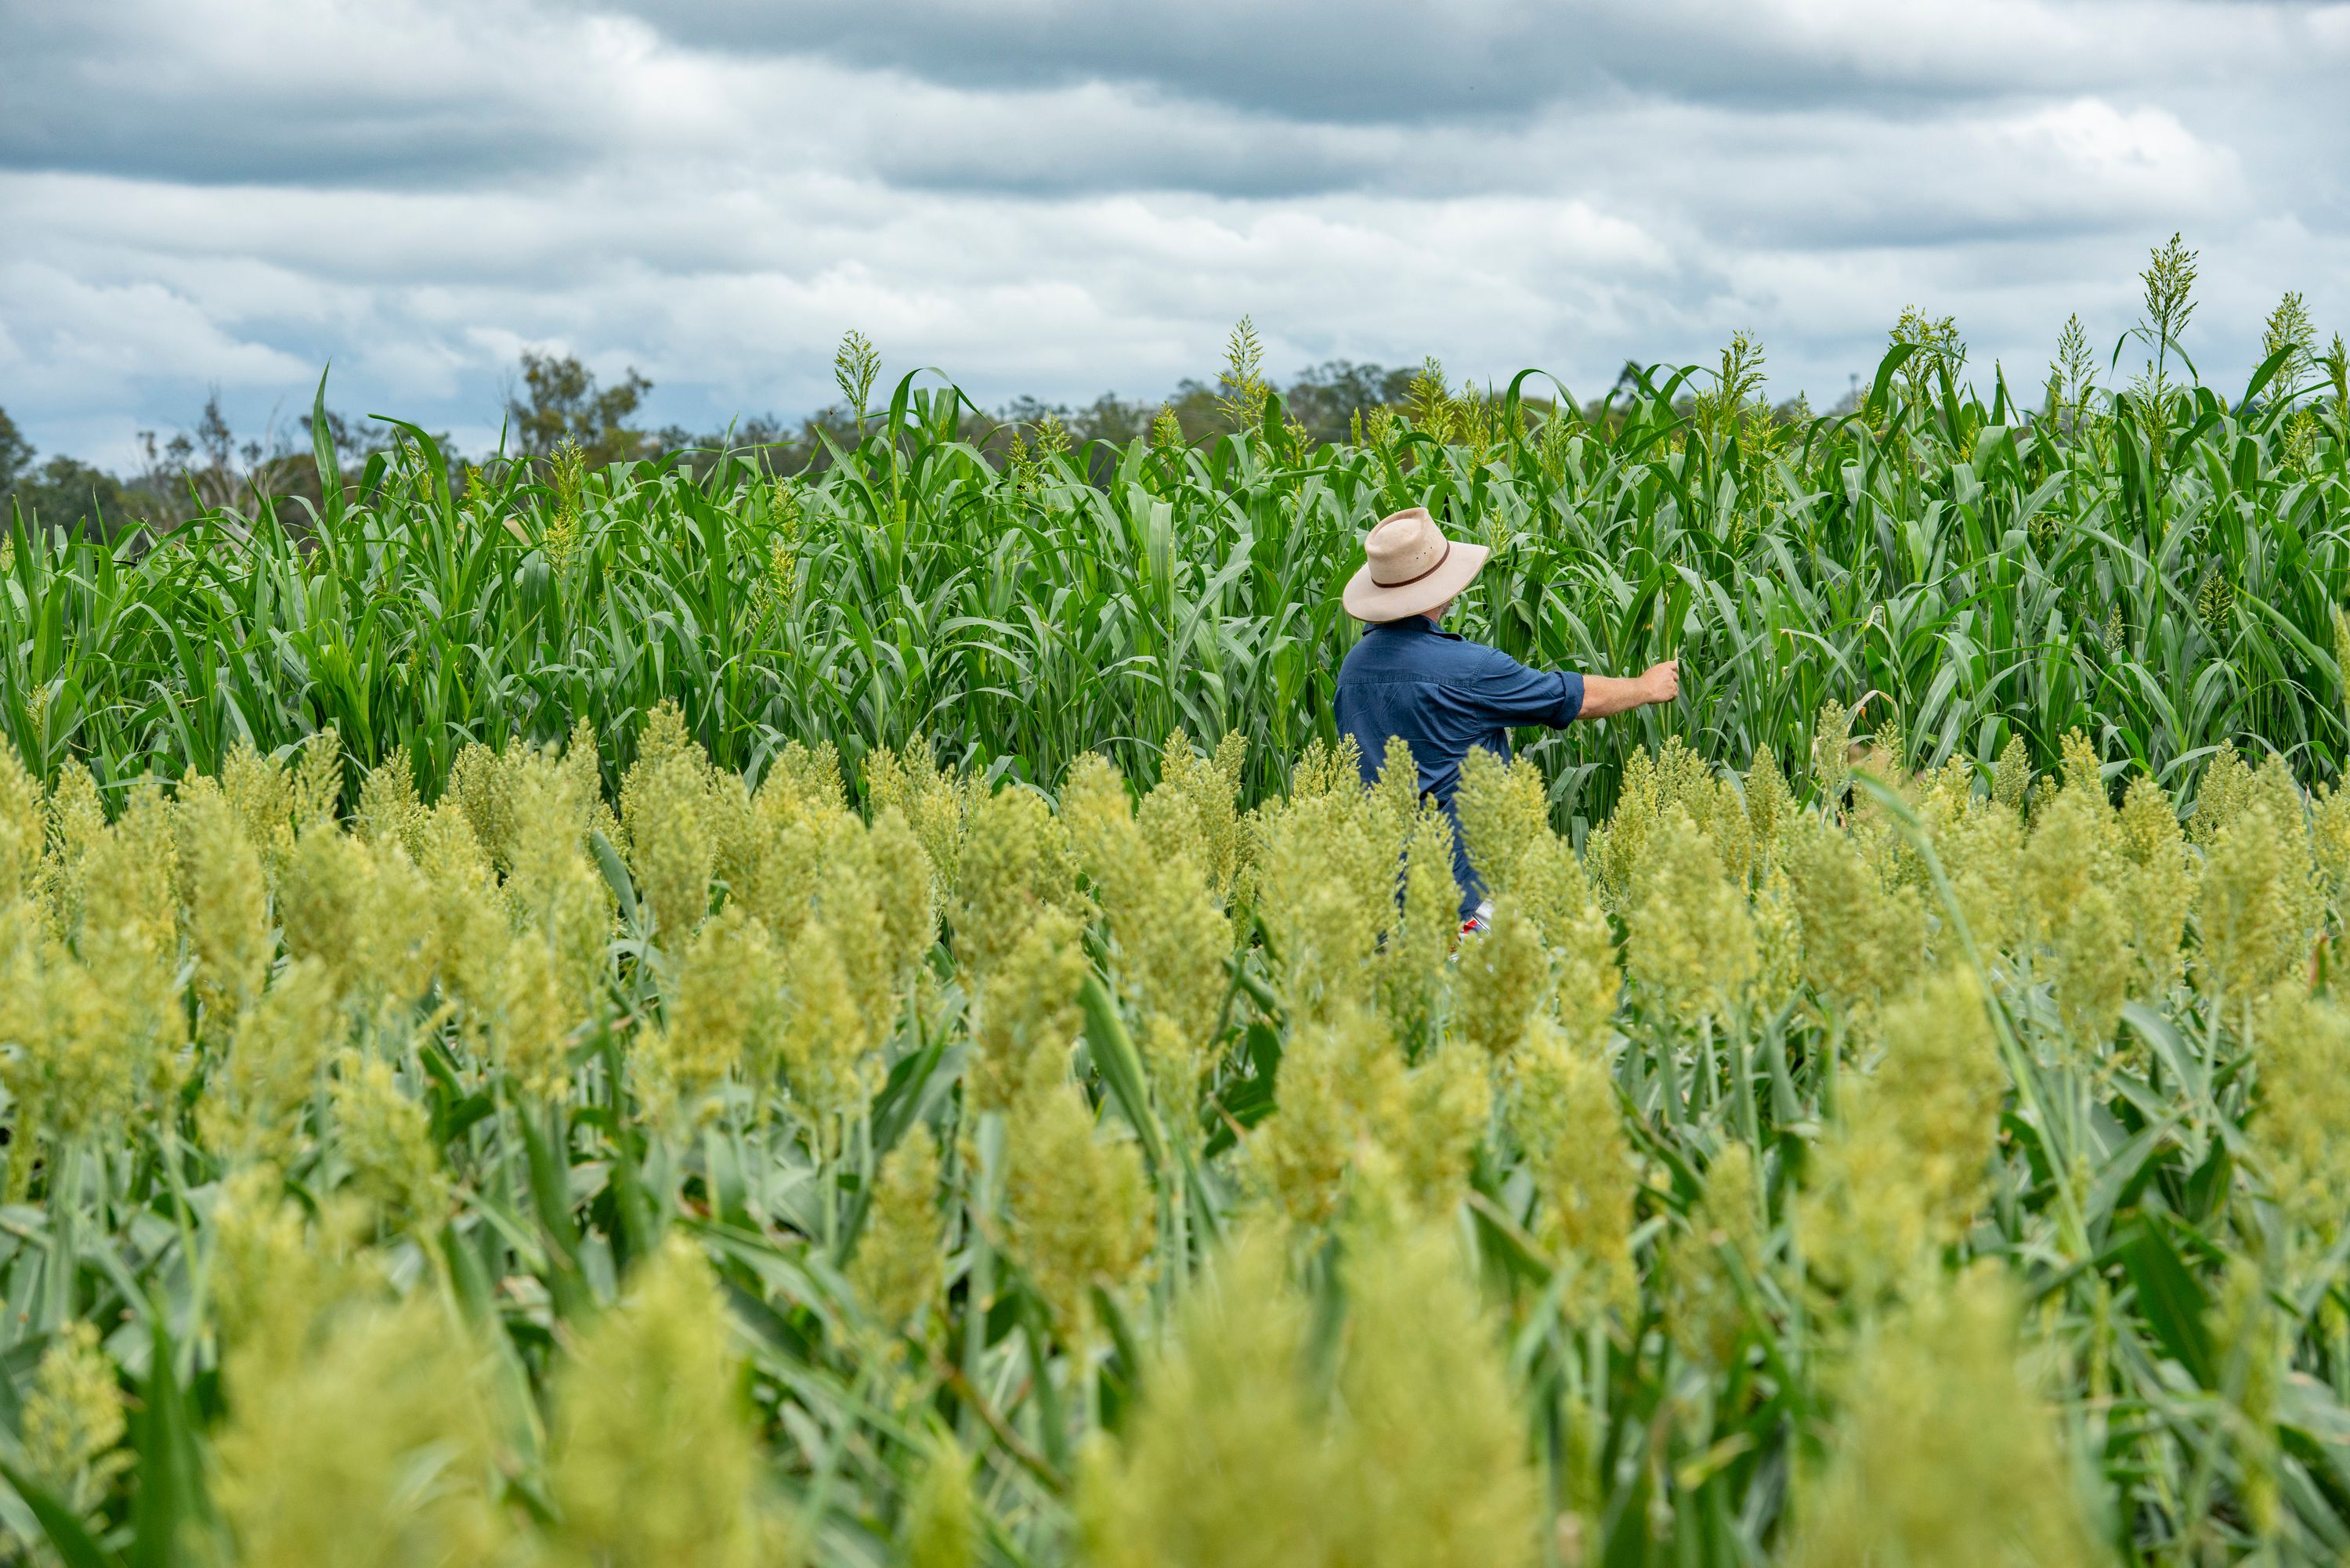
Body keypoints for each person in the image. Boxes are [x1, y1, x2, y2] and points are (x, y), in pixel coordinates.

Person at [1333, 506, 1679, 928]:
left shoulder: (1352, 669)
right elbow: (1574, 698)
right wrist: (1646, 686)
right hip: (1461, 898)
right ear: (1441, 590)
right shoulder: (1470, 669)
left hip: (1380, 899)